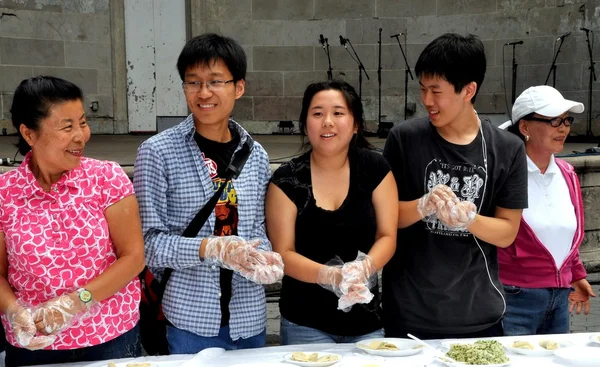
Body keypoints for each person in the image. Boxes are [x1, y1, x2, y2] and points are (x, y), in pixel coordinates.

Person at [133, 33, 284, 354]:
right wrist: (211, 248)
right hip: (190, 321)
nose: (204, 93)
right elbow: (147, 245)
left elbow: (258, 229)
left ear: (238, 87)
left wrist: (263, 258)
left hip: (249, 320)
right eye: (193, 82)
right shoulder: (157, 152)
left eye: (216, 81)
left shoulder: (255, 154)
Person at [382, 33, 528, 339]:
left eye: (436, 91)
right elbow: (384, 218)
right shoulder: (404, 139)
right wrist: (424, 204)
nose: (426, 101)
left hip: (479, 316)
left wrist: (470, 220)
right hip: (410, 314)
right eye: (423, 89)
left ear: (468, 90)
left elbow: (507, 232)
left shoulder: (507, 148)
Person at [0, 76, 144, 366]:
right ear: (29, 134)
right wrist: (15, 312)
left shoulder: (106, 178)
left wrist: (75, 303)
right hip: (35, 346)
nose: (82, 135)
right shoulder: (5, 193)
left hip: (110, 337)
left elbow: (133, 257)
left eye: (82, 122)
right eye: (67, 127)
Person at [266, 80, 398, 344]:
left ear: (355, 124)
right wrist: (330, 275)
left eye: (338, 113)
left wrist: (365, 267)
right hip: (305, 322)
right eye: (317, 113)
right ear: (305, 124)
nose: (327, 121)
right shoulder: (287, 180)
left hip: (367, 322)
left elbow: (387, 235)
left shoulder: (375, 168)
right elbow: (284, 252)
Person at [498, 85, 595, 335]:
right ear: (525, 127)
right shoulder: (505, 173)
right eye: (553, 120)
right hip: (514, 299)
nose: (563, 127)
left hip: (560, 299)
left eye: (566, 120)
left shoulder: (567, 173)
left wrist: (575, 274)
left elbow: (564, 233)